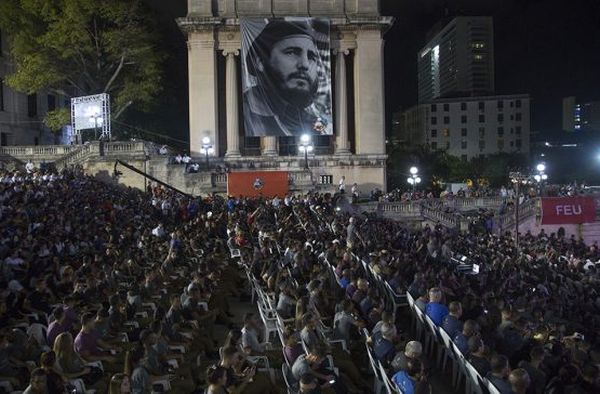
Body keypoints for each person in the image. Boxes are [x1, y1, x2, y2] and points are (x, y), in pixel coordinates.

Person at [243, 19, 330, 137]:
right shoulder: (242, 114)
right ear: (260, 62)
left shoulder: (314, 122)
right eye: (292, 52)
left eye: (311, 57)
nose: (305, 65)